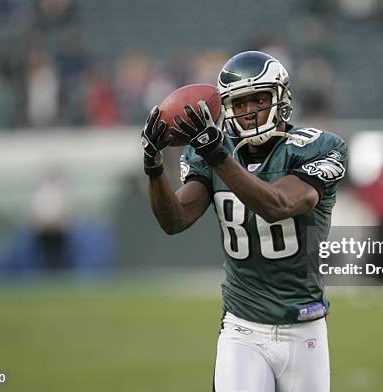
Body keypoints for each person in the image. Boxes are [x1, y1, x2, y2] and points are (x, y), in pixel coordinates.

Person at [141, 51, 347, 392]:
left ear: (281, 99)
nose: (249, 112)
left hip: (303, 323)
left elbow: (278, 204)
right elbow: (175, 220)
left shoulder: (318, 147)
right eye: (239, 103)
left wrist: (218, 155)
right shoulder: (209, 154)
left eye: (260, 99)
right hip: (242, 327)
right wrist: (154, 168)